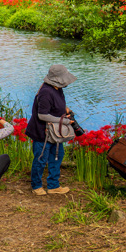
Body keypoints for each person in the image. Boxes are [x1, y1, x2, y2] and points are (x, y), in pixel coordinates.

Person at [25, 64, 77, 196]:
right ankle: (36, 186)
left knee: (57, 157)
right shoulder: (46, 92)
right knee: (41, 159)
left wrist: (66, 110)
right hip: (42, 132)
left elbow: (56, 104)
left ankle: (53, 185)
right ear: (58, 79)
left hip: (55, 132)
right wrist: (64, 121)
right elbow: (42, 115)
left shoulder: (57, 89)